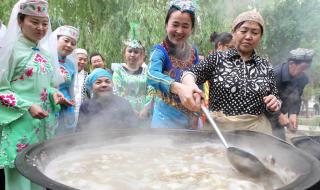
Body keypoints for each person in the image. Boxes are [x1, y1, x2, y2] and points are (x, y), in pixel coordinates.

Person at [0, 1, 71, 189]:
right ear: (20, 21)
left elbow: (46, 86)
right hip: (19, 124)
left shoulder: (46, 54)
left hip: (42, 124)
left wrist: (55, 94)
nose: (41, 28)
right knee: (20, 178)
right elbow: (1, 89)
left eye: (44, 23)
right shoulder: (10, 50)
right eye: (34, 22)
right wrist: (28, 105)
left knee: (39, 175)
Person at [179, 10, 281, 134]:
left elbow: (275, 99)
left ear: (260, 37)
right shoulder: (217, 58)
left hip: (256, 133)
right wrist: (190, 85)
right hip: (219, 131)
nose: (249, 36)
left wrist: (274, 104)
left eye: (255, 32)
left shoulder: (266, 66)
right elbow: (189, 74)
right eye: (243, 31)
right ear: (234, 32)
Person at [147, 0, 201, 129]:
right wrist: (176, 87)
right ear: (166, 25)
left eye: (185, 26)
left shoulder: (194, 51)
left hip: (190, 117)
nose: (179, 30)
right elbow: (151, 75)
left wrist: (196, 111)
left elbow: (199, 78)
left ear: (191, 29)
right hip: (164, 119)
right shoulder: (159, 51)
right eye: (175, 24)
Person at [270, 48, 314, 140]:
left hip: (278, 116)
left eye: (306, 69)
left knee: (281, 146)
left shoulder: (302, 78)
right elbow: (262, 98)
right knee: (263, 146)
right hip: (263, 116)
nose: (304, 72)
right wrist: (279, 115)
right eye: (302, 68)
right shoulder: (275, 74)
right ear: (291, 64)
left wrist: (293, 114)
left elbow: (296, 97)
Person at [113, 39, 154, 123]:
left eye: (136, 52)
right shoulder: (118, 71)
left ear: (141, 55)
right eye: (130, 51)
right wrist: (129, 109)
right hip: (124, 112)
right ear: (124, 53)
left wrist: (146, 109)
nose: (132, 54)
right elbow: (116, 91)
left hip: (144, 112)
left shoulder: (147, 71)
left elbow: (151, 90)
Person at [53, 25, 79, 135]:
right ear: (56, 40)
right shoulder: (46, 58)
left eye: (73, 43)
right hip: (50, 104)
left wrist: (72, 102)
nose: (69, 45)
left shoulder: (71, 64)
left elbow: (71, 88)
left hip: (67, 107)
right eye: (66, 41)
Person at [73, 48, 89, 123]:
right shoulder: (67, 72)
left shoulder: (88, 76)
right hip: (66, 110)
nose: (82, 62)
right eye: (80, 59)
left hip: (82, 112)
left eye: (85, 60)